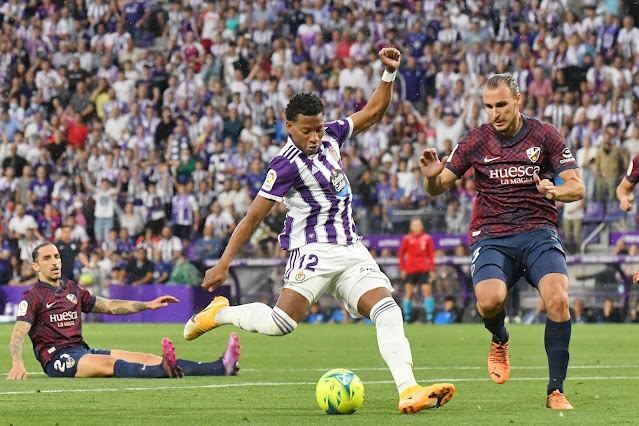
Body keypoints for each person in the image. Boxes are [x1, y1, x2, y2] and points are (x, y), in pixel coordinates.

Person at [183, 48, 455, 414]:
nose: (315, 137)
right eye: (307, 130)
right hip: (312, 251)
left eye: (319, 128)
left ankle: (409, 390)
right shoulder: (284, 166)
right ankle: (220, 313)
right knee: (281, 325)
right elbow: (251, 219)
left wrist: (388, 74)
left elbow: (373, 111)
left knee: (388, 309)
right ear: (289, 125)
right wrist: (223, 264)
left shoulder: (331, 137)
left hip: (351, 248)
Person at [419, 73, 584, 409]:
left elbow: (577, 186)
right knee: (489, 301)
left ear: (518, 100)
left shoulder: (545, 134)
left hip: (538, 232)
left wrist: (555, 190)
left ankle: (556, 390)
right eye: (489, 106)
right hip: (492, 236)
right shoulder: (474, 141)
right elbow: (439, 187)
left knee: (559, 299)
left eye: (502, 105)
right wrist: (432, 178)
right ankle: (500, 337)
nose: (495, 112)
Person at [7, 242, 240, 380]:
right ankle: (162, 371)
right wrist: (17, 362)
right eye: (47, 258)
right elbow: (18, 334)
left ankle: (221, 367)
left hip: (82, 350)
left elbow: (109, 306)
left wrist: (147, 305)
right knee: (110, 364)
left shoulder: (71, 289)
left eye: (56, 256)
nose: (55, 262)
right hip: (59, 359)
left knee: (147, 357)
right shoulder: (33, 296)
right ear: (36, 266)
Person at [397, 217, 437, 323]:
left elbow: (431, 255)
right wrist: (403, 269)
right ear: (411, 227)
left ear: (422, 226)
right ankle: (407, 317)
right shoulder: (406, 239)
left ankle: (430, 318)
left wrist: (432, 270)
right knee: (409, 293)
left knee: (427, 292)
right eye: (415, 225)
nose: (417, 227)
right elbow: (401, 255)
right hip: (410, 270)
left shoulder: (427, 238)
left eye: (419, 224)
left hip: (424, 269)